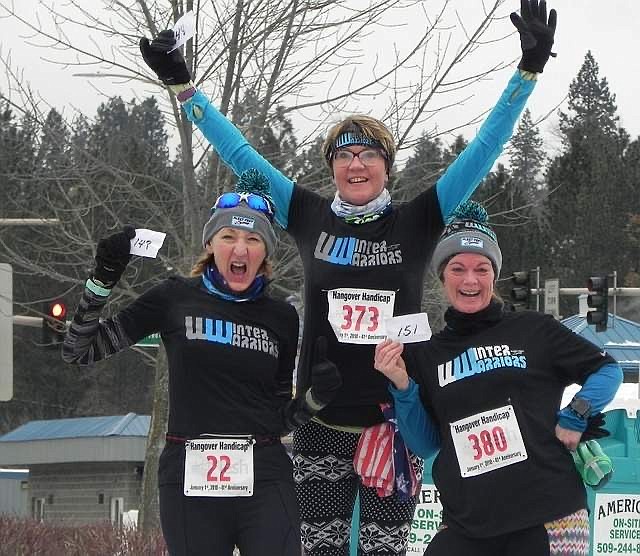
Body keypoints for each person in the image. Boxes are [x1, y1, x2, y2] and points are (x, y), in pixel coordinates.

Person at [139, 2, 558, 553]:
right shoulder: (310, 216)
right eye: (343, 155)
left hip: (395, 420)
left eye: (367, 155)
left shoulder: (417, 219)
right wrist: (184, 86)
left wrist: (526, 74)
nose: (355, 165)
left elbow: (484, 151)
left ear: (387, 164)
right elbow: (238, 149)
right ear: (332, 166)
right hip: (319, 421)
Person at [62, 169, 342, 556]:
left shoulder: (281, 317)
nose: (240, 250)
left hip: (264, 473)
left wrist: (314, 400)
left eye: (253, 239)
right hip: (188, 473)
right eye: (229, 237)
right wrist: (103, 278)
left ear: (266, 252)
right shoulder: (174, 297)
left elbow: (279, 418)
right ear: (211, 243)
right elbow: (80, 349)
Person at [374, 201, 623, 556]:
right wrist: (402, 385)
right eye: (458, 269)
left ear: (495, 275)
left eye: (482, 268)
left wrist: (576, 414)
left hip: (547, 515)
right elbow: (427, 444)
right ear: (443, 277)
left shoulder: (533, 330)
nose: (470, 280)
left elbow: (607, 370)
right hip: (468, 522)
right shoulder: (428, 354)